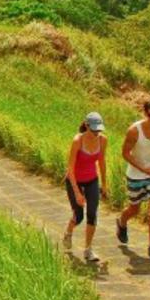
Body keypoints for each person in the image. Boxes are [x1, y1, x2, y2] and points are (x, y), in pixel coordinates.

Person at [116, 98, 150, 260]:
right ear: (145, 113)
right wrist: (142, 168)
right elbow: (125, 153)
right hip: (135, 174)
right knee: (135, 209)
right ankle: (122, 222)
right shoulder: (134, 130)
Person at [62, 111, 108, 262]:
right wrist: (77, 193)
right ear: (86, 125)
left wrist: (105, 184)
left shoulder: (102, 140)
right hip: (74, 180)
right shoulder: (77, 141)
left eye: (98, 130)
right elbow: (70, 169)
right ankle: (69, 232)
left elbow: (101, 163)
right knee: (79, 216)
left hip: (92, 180)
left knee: (92, 214)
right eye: (93, 129)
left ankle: (88, 249)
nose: (96, 133)